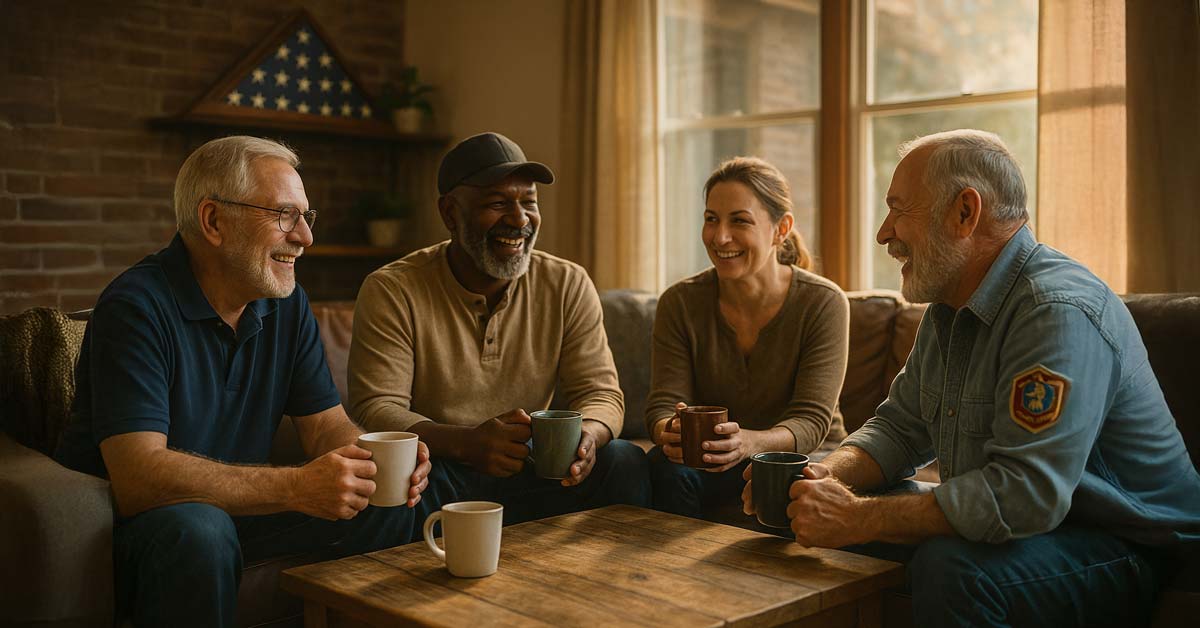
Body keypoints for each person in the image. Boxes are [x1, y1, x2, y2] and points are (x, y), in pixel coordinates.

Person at [741, 129, 1200, 627]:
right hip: (1045, 529)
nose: (883, 232)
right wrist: (823, 477)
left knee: (953, 567)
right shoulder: (948, 305)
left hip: (1132, 543)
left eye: (899, 209)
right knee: (804, 520)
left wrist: (854, 516)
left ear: (965, 212)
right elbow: (898, 429)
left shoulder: (1055, 311)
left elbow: (1024, 495)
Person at [54, 136, 435, 628]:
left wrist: (378, 456)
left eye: (306, 216)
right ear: (213, 221)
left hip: (244, 511)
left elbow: (324, 429)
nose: (305, 237)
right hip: (146, 525)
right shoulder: (135, 307)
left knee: (390, 501)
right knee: (200, 529)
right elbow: (137, 477)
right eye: (283, 214)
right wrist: (297, 486)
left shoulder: (285, 301)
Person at [347, 131, 650, 524]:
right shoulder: (392, 288)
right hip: (442, 470)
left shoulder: (567, 283)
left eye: (529, 202)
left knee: (623, 460)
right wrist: (466, 444)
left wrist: (589, 436)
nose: (520, 219)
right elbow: (376, 408)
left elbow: (601, 394)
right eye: (497, 203)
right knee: (388, 488)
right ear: (451, 212)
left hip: (536, 469)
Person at [645, 156, 849, 521]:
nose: (720, 237)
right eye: (711, 219)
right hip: (713, 459)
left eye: (739, 220)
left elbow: (811, 420)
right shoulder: (679, 302)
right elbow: (664, 403)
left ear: (780, 228)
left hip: (802, 457)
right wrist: (669, 432)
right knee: (656, 464)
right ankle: (671, 575)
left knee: (785, 478)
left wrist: (749, 443)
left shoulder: (823, 302)